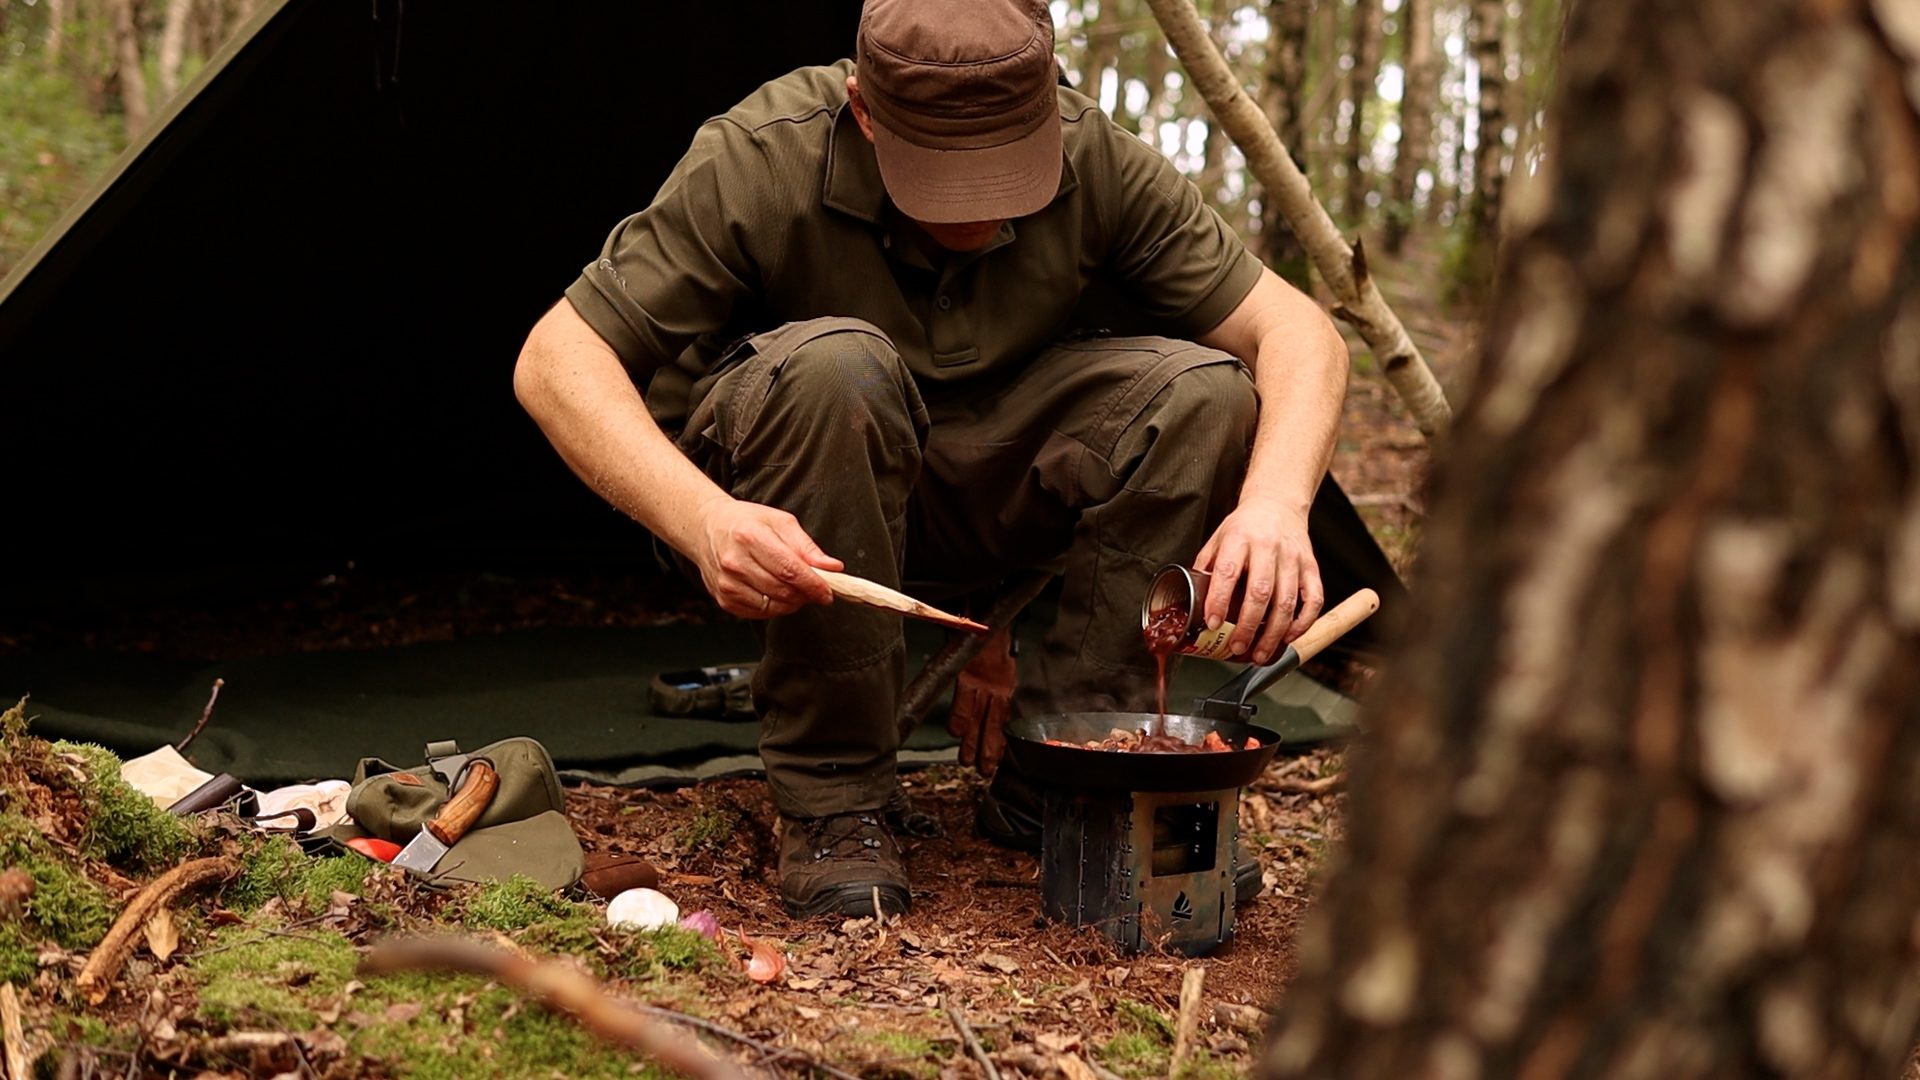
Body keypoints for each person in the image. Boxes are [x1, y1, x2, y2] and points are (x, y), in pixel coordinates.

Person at [514, 0, 1347, 919]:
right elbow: (555, 361)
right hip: (777, 491)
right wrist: (702, 518)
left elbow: (1297, 330)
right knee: (840, 366)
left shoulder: (1096, 154)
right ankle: (834, 798)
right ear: (863, 110)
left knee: (1207, 393)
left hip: (979, 485)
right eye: (945, 176)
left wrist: (1276, 503)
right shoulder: (762, 156)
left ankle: (1073, 774)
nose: (982, 207)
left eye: (1007, 169)